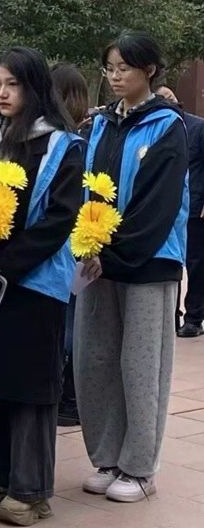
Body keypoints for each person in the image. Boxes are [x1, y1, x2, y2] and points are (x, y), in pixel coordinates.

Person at [0, 47, 82, 526]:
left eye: (14, 84)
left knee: (27, 385)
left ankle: (29, 489)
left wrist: (3, 265)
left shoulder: (61, 147)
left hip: (31, 285)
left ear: (35, 88)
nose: (3, 94)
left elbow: (59, 219)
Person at [75, 33, 188, 503]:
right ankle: (107, 457)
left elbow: (156, 205)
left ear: (150, 71)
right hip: (97, 259)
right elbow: (86, 189)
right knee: (96, 359)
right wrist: (87, 245)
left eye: (124, 68)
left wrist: (114, 253)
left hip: (147, 262)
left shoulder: (167, 127)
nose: (115, 76)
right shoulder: (101, 125)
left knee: (141, 366)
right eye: (110, 68)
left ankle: (140, 468)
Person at [51, 62, 93, 427]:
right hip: (74, 242)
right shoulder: (81, 139)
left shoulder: (75, 143)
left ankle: (71, 396)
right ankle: (69, 395)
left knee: (69, 324)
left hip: (73, 244)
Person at [156, 84, 204, 339]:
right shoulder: (156, 129)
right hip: (166, 209)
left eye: (170, 97)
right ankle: (171, 315)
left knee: (196, 265)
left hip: (194, 208)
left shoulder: (198, 127)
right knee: (170, 262)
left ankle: (194, 318)